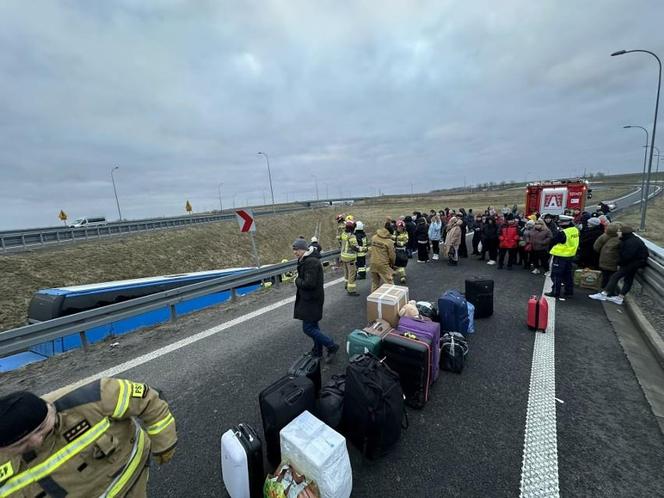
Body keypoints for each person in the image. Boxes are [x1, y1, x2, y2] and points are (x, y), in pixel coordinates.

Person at [0, 378, 177, 498]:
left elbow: (146, 399)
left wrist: (164, 444)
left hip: (129, 477)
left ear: (49, 408)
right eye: (21, 444)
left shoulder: (90, 397)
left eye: (41, 429)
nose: (37, 441)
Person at [292, 238, 339, 360]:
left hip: (311, 299)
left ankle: (331, 345)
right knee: (313, 326)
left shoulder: (311, 262)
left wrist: (296, 280)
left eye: (296, 249)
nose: (295, 252)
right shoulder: (306, 260)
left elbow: (309, 283)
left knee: (308, 328)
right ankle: (318, 351)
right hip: (310, 298)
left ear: (303, 249)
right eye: (294, 250)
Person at [590, 225, 649, 305]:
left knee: (615, 276)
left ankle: (604, 294)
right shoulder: (631, 239)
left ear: (623, 233)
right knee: (628, 279)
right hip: (636, 262)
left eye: (619, 232)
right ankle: (619, 298)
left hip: (633, 263)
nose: (617, 233)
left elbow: (627, 256)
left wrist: (619, 263)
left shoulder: (631, 242)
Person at [545, 215, 579, 301]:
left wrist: (549, 250)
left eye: (561, 223)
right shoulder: (575, 230)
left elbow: (554, 241)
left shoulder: (563, 233)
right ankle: (569, 292)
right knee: (568, 275)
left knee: (556, 275)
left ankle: (555, 292)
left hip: (560, 256)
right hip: (570, 255)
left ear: (565, 223)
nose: (559, 224)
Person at [590, 222, 622, 293]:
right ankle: (609, 291)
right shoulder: (620, 239)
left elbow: (596, 246)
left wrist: (601, 252)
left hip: (603, 259)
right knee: (612, 277)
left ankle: (602, 289)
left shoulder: (604, 236)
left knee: (605, 275)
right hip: (614, 261)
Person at [369, 226, 396, 292]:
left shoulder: (374, 237)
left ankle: (373, 299)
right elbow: (392, 256)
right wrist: (393, 264)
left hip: (373, 263)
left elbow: (371, 249)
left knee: (375, 283)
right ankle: (393, 299)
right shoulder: (389, 242)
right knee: (389, 283)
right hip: (383, 264)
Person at [339, 220, 360, 296]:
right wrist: (363, 249)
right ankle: (351, 290)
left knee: (346, 273)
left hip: (343, 256)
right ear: (352, 228)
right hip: (350, 258)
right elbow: (355, 247)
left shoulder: (344, 233)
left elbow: (340, 241)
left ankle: (346, 285)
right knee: (352, 273)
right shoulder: (352, 236)